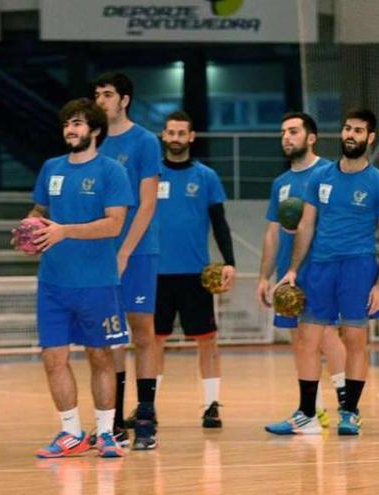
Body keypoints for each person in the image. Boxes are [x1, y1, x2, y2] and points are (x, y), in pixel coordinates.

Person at [267, 108, 379, 436]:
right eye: (346, 128)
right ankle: (307, 413)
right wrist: (294, 270)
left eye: (358, 131)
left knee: (354, 339)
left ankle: (350, 412)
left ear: (369, 138)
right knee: (307, 340)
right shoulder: (320, 177)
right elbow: (307, 225)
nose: (350, 135)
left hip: (358, 267)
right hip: (320, 268)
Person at [27, 98, 134, 459]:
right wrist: (29, 228)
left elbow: (114, 223)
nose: (70, 130)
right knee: (53, 358)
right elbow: (40, 211)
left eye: (77, 124)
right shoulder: (51, 168)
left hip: (97, 283)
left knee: (100, 356)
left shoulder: (111, 171)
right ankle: (71, 432)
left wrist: (64, 232)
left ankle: (106, 433)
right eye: (66, 125)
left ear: (95, 130)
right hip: (53, 283)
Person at [257, 112, 348, 428]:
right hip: (287, 273)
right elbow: (272, 232)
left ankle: (346, 405)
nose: (286, 137)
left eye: (293, 131)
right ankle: (312, 412)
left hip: (319, 268)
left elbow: (338, 223)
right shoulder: (281, 183)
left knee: (325, 337)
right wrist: (263, 276)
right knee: (298, 341)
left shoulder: (329, 174)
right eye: (283, 132)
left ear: (311, 137)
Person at [154, 110, 236, 428]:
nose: (175, 138)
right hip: (156, 273)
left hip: (194, 274)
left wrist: (229, 261)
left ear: (191, 137)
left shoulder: (206, 177)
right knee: (153, 342)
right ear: (164, 136)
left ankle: (211, 405)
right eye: (170, 133)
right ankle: (148, 406)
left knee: (207, 341)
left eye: (181, 133)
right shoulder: (149, 176)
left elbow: (220, 222)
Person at [94, 72, 162, 450]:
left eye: (107, 94)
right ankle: (114, 420)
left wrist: (124, 251)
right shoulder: (95, 143)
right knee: (109, 333)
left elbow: (148, 202)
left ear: (125, 99)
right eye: (97, 94)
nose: (101, 100)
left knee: (142, 331)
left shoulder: (144, 141)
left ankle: (147, 416)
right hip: (101, 251)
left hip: (137, 250)